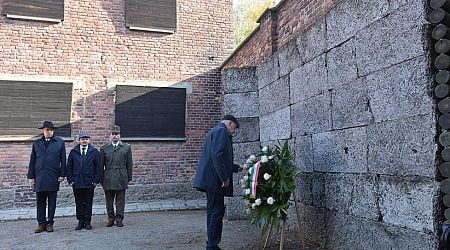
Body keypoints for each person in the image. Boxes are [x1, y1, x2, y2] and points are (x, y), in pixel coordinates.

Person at [193, 114, 243, 250]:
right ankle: (212, 246)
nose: (234, 131)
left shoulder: (215, 131)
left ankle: (211, 243)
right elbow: (217, 156)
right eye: (235, 128)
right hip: (215, 182)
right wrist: (224, 178)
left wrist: (238, 168)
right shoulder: (221, 131)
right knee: (217, 212)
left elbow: (221, 159)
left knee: (213, 211)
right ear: (230, 123)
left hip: (211, 180)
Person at [27, 121, 66, 233]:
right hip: (39, 176)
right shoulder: (37, 143)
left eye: (51, 130)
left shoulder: (59, 143)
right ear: (43, 131)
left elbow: (63, 160)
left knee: (52, 202)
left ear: (53, 131)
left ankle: (50, 223)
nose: (49, 132)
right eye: (47, 130)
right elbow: (32, 160)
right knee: (40, 202)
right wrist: (31, 176)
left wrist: (62, 174)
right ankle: (41, 224)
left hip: (53, 176)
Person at [67, 132, 101, 230]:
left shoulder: (94, 152)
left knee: (88, 202)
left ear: (89, 140)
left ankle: (87, 221)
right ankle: (80, 221)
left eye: (86, 139)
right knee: (78, 202)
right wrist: (71, 180)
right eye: (82, 139)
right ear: (79, 140)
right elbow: (69, 167)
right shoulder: (74, 152)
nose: (84, 140)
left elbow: (98, 167)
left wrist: (95, 180)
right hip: (77, 183)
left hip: (89, 182)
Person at [100, 125, 133, 227]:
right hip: (108, 177)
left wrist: (128, 178)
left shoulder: (126, 148)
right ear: (110, 135)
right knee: (109, 201)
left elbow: (129, 164)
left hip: (121, 176)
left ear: (120, 135)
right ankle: (110, 218)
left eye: (116, 134)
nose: (115, 136)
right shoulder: (104, 148)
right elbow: (101, 165)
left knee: (120, 200)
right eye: (113, 134)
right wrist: (101, 179)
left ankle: (119, 218)